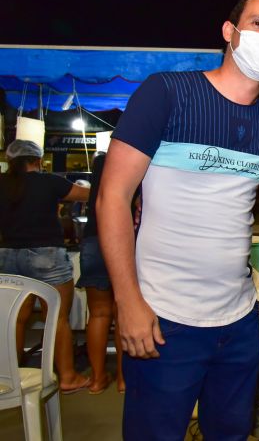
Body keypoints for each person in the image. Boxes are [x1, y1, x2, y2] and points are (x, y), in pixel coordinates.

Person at [96, 0, 259, 440]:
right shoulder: (167, 92)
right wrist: (128, 302)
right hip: (163, 318)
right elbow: (113, 198)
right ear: (230, 31)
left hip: (238, 322)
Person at [0, 138, 91, 393]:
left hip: (7, 255)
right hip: (46, 254)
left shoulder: (3, 183)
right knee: (57, 316)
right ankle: (68, 377)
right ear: (38, 160)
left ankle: (9, 379)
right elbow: (89, 195)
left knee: (16, 319)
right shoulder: (49, 182)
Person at [77, 150, 126, 394]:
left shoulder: (100, 162)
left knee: (98, 315)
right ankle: (123, 380)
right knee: (123, 314)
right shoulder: (136, 158)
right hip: (124, 240)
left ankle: (96, 380)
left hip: (94, 239)